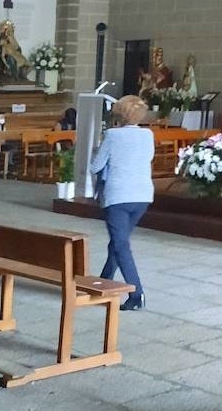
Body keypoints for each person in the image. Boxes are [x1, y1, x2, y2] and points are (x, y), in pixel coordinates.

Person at [90, 95, 154, 311]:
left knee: (120, 245)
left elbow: (95, 167)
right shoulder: (148, 134)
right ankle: (102, 282)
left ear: (119, 115)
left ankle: (137, 293)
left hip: (119, 196)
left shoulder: (112, 135)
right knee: (118, 242)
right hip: (143, 195)